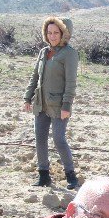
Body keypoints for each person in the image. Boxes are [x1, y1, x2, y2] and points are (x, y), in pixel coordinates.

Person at [24, 16, 79, 190]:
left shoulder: (69, 53)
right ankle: (43, 175)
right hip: (41, 102)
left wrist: (66, 106)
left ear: (63, 34)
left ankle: (71, 175)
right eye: (49, 32)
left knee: (59, 139)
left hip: (58, 104)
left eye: (56, 32)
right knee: (40, 139)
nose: (52, 36)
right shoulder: (43, 52)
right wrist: (27, 97)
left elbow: (71, 82)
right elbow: (35, 76)